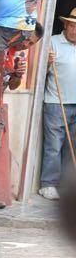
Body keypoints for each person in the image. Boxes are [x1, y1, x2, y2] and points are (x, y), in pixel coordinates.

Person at [40, 13, 76, 201]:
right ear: (66, 25)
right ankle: (48, 184)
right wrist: (47, 63)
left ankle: (68, 186)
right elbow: (40, 74)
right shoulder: (52, 42)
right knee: (54, 145)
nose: (75, 30)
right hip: (56, 102)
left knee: (72, 148)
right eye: (72, 26)